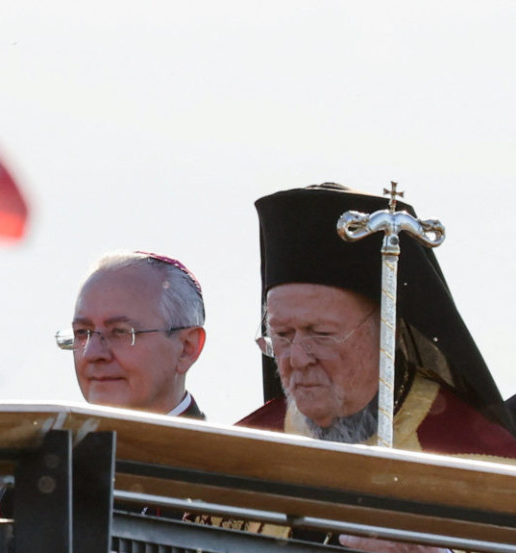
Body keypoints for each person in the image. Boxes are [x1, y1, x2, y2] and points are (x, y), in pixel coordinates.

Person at [237, 183, 516, 550]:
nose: (297, 359)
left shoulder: (484, 465)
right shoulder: (236, 454)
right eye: (282, 335)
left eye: (320, 333)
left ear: (389, 333)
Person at [58, 250, 207, 418]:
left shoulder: (221, 445)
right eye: (82, 333)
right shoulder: (43, 443)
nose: (92, 353)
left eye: (120, 332)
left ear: (186, 348)